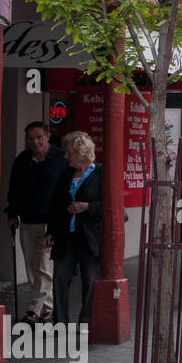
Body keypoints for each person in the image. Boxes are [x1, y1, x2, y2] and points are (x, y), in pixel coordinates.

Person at [5, 121, 68, 324]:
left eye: (39, 137)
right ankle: (46, 309)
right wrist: (12, 214)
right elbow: (14, 190)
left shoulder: (60, 159)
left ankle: (34, 310)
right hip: (28, 221)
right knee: (33, 267)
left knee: (43, 266)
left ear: (48, 136)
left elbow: (65, 190)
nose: (35, 141)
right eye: (31, 138)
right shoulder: (22, 160)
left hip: (51, 223)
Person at [45, 131, 102, 329]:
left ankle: (84, 322)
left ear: (80, 153)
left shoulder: (100, 174)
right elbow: (55, 205)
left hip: (89, 236)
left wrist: (86, 207)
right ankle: (60, 322)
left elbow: (111, 206)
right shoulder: (66, 174)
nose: (65, 156)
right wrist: (50, 231)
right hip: (65, 236)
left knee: (90, 280)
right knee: (60, 277)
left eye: (69, 152)